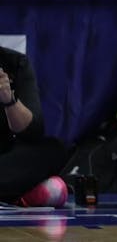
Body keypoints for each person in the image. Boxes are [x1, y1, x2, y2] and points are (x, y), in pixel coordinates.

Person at [0, 45, 68, 207]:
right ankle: (22, 195)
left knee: (53, 149)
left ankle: (14, 194)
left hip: (5, 155)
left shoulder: (15, 63)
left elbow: (33, 130)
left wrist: (8, 100)